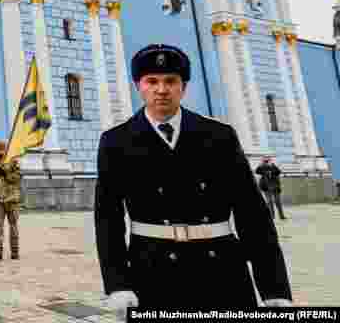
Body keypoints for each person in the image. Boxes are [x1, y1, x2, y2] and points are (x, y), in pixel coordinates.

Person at [95, 44, 292, 319]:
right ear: (138, 86)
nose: (161, 89)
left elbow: (253, 215)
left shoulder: (219, 136)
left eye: (170, 81)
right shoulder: (116, 141)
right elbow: (108, 221)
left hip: (221, 271)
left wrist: (274, 289)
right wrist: (118, 285)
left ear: (183, 87)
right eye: (152, 81)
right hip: (152, 272)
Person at [256, 156, 286, 220]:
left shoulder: (273, 167)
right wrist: (261, 164)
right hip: (266, 187)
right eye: (265, 161)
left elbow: (278, 171)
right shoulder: (262, 167)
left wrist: (272, 164)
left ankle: (281, 216)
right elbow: (257, 171)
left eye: (268, 160)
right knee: (269, 202)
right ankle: (272, 216)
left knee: (277, 201)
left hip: (275, 187)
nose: (266, 162)